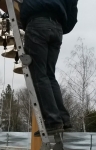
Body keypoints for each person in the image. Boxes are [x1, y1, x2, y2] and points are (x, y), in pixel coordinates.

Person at [19, 0, 78, 135]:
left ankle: (52, 121)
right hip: (57, 29)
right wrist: (61, 25)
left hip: (37, 24)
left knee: (39, 75)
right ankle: (63, 119)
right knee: (49, 75)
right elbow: (73, 14)